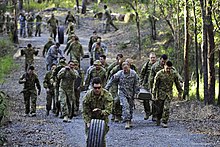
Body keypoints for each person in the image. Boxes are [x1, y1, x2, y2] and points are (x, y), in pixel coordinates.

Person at [105, 62, 140, 129]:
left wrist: (137, 92)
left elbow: (137, 83)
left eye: (126, 68)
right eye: (124, 68)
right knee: (125, 106)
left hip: (131, 93)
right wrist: (106, 88)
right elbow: (111, 80)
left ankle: (129, 120)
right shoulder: (119, 73)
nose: (125, 69)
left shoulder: (134, 74)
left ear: (129, 67)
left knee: (130, 107)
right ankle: (127, 121)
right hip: (122, 92)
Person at [82, 77, 113, 147]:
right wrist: (88, 122)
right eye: (95, 88)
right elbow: (85, 111)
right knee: (89, 139)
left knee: (101, 139)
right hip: (90, 118)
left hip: (102, 118)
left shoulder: (107, 95)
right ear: (92, 87)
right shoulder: (88, 96)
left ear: (101, 86)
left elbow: (109, 110)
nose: (97, 89)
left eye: (99, 87)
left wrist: (100, 111)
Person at [152, 61, 183, 128]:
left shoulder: (174, 74)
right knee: (159, 109)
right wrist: (154, 94)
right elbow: (155, 85)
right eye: (167, 68)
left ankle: (164, 122)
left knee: (166, 108)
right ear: (164, 66)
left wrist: (180, 92)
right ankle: (158, 118)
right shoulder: (159, 74)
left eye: (170, 68)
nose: (168, 70)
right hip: (160, 93)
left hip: (169, 93)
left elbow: (177, 83)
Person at [149, 54, 168, 121]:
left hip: (165, 86)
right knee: (155, 101)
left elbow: (174, 72)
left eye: (164, 61)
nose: (163, 63)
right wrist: (151, 87)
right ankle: (154, 115)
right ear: (160, 59)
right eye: (162, 61)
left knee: (162, 102)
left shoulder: (167, 65)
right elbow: (151, 78)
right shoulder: (155, 66)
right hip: (156, 85)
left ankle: (161, 115)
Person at [140, 52, 157, 120]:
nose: (152, 59)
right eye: (151, 58)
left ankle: (154, 115)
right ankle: (147, 112)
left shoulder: (158, 65)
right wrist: (140, 82)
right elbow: (142, 74)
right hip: (146, 85)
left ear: (156, 58)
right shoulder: (146, 65)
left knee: (155, 100)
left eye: (154, 57)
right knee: (145, 99)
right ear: (149, 58)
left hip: (155, 85)